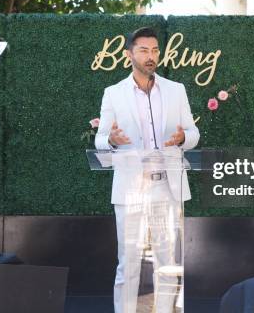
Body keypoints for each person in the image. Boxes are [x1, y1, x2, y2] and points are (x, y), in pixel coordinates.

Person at [95, 27, 200, 312]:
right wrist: (111, 141)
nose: (150, 56)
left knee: (168, 264)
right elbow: (100, 139)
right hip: (131, 189)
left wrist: (182, 138)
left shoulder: (176, 90)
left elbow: (193, 133)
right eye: (143, 50)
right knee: (128, 261)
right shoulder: (113, 93)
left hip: (167, 187)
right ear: (129, 54)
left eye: (154, 50)